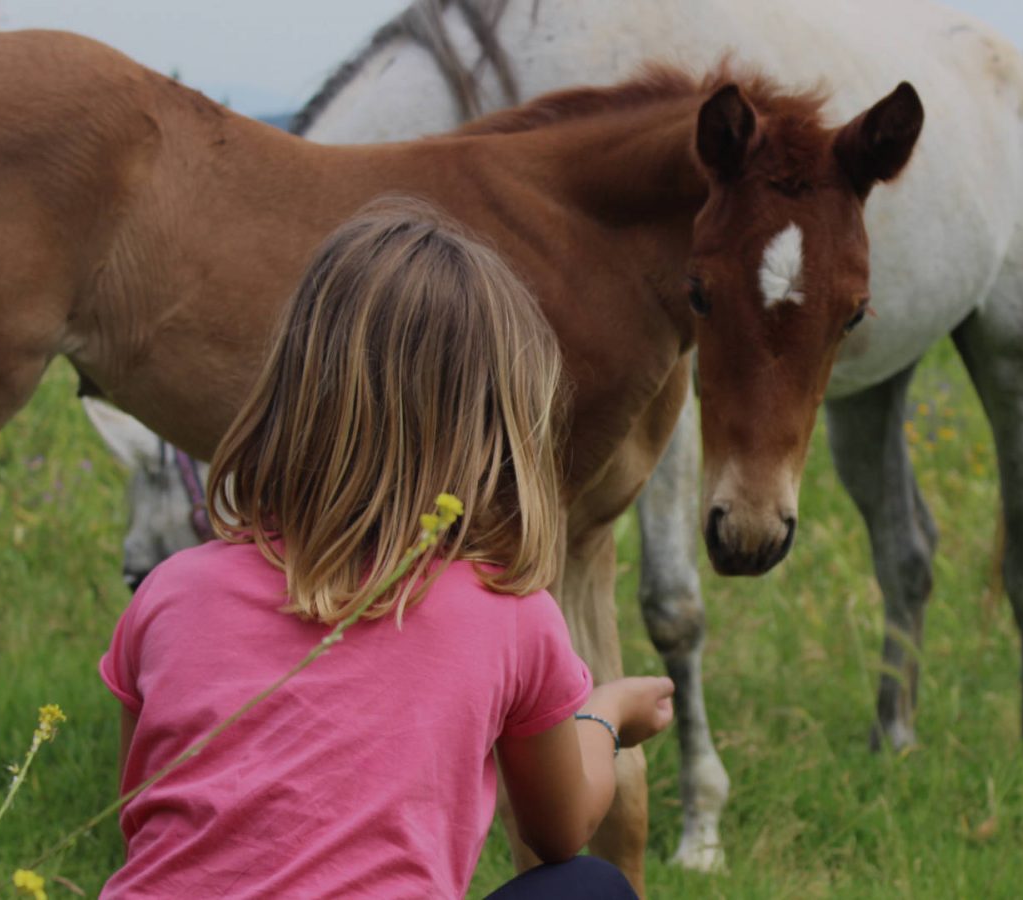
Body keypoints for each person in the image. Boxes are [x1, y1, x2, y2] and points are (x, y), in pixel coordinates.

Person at [98, 198, 674, 898]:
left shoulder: (172, 591)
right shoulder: (507, 614)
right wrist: (607, 716)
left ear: (292, 391)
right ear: (495, 429)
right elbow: (558, 830)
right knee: (585, 888)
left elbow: (145, 817)